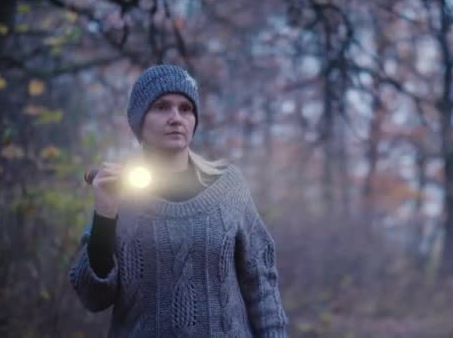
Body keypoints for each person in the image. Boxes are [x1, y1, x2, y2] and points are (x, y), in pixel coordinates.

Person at [68, 64, 289, 337]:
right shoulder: (118, 190)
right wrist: (105, 212)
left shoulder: (228, 187)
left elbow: (262, 285)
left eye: (186, 108)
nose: (176, 117)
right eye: (161, 107)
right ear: (139, 119)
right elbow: (93, 297)